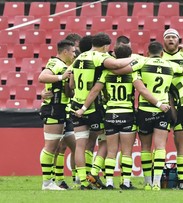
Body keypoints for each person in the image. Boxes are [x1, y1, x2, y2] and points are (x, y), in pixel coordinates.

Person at [75, 44, 167, 190]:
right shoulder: (134, 72)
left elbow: (95, 91)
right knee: (127, 151)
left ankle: (110, 183)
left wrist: (83, 108)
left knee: (111, 151)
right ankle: (125, 182)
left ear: (115, 56)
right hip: (127, 114)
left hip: (110, 114)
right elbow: (141, 89)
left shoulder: (106, 73)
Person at [113, 41, 183, 190]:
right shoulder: (169, 65)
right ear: (162, 53)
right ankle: (156, 183)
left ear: (147, 52)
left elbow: (130, 79)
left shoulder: (142, 62)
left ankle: (148, 182)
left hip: (146, 110)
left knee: (145, 147)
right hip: (163, 110)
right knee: (160, 146)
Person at [68, 32, 133, 190]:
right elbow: (116, 65)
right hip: (92, 107)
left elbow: (71, 85)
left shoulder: (78, 59)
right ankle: (95, 172)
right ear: (105, 46)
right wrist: (134, 58)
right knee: (105, 141)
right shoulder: (98, 57)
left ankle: (84, 181)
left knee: (81, 145)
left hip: (76, 104)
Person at [38, 39, 75, 190]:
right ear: (65, 52)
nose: (74, 54)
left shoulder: (65, 66)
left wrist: (68, 83)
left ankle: (64, 180)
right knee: (50, 147)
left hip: (63, 110)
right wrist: (62, 77)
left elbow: (68, 92)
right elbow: (42, 77)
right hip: (53, 108)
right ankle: (47, 183)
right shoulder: (55, 63)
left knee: (71, 145)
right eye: (72, 51)